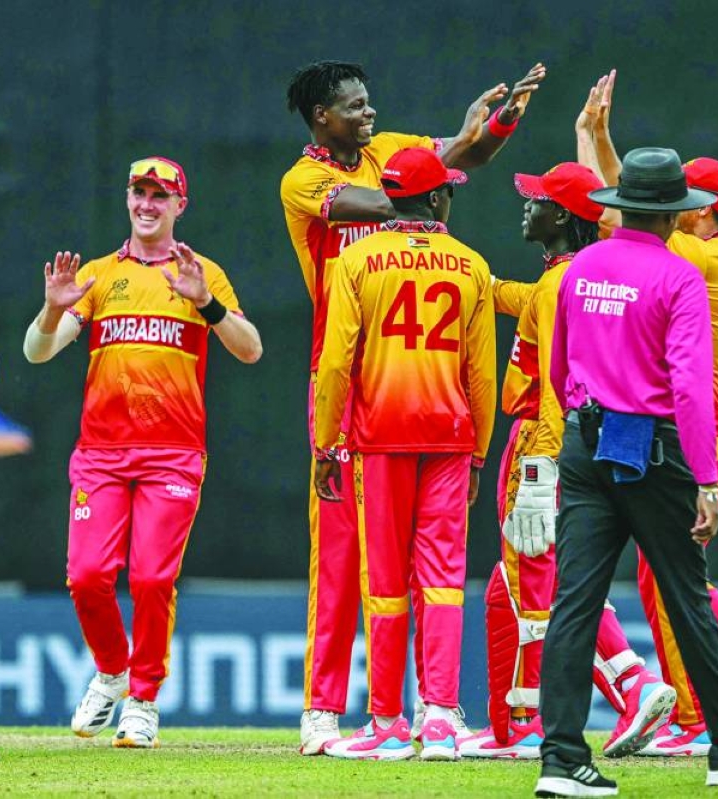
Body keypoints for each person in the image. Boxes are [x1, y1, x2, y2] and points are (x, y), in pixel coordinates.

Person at [281, 58, 545, 755]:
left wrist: (495, 124)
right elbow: (390, 201)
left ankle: (429, 710)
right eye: (355, 106)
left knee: (425, 561)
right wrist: (433, 167)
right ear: (321, 118)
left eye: (370, 103)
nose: (368, 115)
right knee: (340, 553)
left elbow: (463, 160)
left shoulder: (389, 152)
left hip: (411, 380)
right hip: (340, 379)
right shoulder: (304, 179)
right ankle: (322, 707)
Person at [534, 148, 718, 796]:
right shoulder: (678, 276)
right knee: (685, 594)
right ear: (673, 213)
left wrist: (582, 421)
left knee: (574, 602)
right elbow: (688, 387)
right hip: (652, 449)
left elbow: (560, 366)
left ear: (621, 207)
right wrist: (705, 480)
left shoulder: (584, 265)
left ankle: (563, 758)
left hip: (586, 440)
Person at [579, 72, 718, 757]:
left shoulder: (697, 254)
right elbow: (634, 206)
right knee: (666, 570)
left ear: (703, 209)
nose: (676, 207)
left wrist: (595, 139)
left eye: (687, 201)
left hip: (705, 430)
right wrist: (595, 138)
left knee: (670, 574)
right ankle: (705, 698)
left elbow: (626, 215)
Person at [23, 156, 262, 749]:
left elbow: (251, 349)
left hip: (173, 454)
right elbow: (37, 353)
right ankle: (112, 671)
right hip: (101, 455)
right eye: (139, 193)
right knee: (86, 577)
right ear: (127, 199)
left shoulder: (200, 273)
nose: (147, 204)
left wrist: (206, 303)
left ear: (181, 204)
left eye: (160, 195)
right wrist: (53, 307)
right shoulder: (101, 276)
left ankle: (144, 700)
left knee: (153, 578)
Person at [458, 162, 674, 760]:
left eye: (538, 201)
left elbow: (556, 382)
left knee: (537, 584)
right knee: (521, 584)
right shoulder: (574, 275)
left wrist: (537, 469)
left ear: (564, 216)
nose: (527, 207)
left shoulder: (563, 283)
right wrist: (459, 264)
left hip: (541, 439)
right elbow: (513, 296)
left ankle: (614, 689)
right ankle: (514, 721)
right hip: (576, 438)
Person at [312, 146, 496, 761]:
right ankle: (440, 717)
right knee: (443, 578)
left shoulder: (357, 259)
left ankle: (387, 721)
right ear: (437, 197)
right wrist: (478, 453)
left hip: (379, 437)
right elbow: (482, 376)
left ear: (391, 196)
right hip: (448, 437)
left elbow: (336, 361)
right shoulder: (471, 264)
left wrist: (326, 442)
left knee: (385, 579)